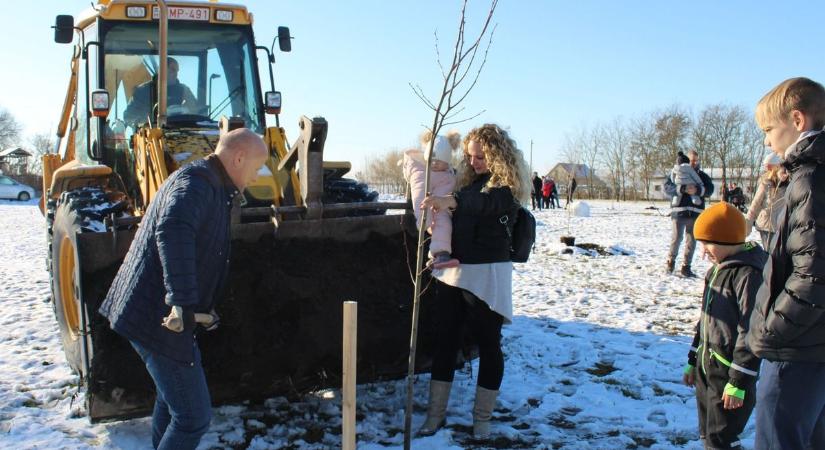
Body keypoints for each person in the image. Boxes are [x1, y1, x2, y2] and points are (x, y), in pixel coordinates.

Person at [98, 129, 269, 450]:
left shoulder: (212, 185)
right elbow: (174, 228)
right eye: (257, 166)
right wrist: (182, 303)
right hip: (158, 318)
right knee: (193, 417)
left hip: (153, 314)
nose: (258, 175)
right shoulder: (197, 183)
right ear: (239, 158)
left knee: (171, 402)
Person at [417, 123, 529, 440]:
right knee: (445, 341)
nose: (475, 161)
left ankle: (482, 420)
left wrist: (450, 201)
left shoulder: (507, 187)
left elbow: (486, 203)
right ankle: (434, 416)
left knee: (489, 344)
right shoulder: (465, 182)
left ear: (496, 155)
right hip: (454, 272)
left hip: (488, 275)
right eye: (470, 156)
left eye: (480, 157)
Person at [746, 77, 825, 450]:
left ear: (797, 120)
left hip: (797, 349)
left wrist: (770, 330)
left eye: (768, 129)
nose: (766, 141)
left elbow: (813, 275)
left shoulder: (810, 179)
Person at [683, 202, 766, 449]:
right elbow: (705, 320)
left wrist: (739, 381)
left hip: (730, 373)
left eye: (707, 244)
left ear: (728, 241)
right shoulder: (715, 271)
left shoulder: (748, 275)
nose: (703, 252)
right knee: (710, 436)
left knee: (722, 439)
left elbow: (750, 330)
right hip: (707, 367)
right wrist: (692, 359)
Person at [403, 130, 461, 269]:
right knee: (442, 223)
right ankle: (441, 255)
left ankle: (439, 256)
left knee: (445, 223)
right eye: (431, 160)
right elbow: (419, 199)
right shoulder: (422, 174)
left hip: (447, 207)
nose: (434, 164)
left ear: (447, 161)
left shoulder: (449, 173)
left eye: (439, 161)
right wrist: (425, 220)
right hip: (433, 211)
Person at [666, 149, 714, 277]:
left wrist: (697, 191)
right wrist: (681, 189)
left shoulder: (702, 176)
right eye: (691, 160)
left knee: (691, 241)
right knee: (676, 238)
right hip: (679, 212)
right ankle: (671, 262)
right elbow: (667, 187)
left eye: (696, 161)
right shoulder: (675, 173)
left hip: (696, 213)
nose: (694, 163)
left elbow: (710, 189)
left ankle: (686, 267)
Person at [124, 57, 201, 126]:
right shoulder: (143, 91)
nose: (176, 74)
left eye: (177, 71)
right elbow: (129, 117)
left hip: (182, 133)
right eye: (173, 70)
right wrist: (147, 122)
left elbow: (196, 111)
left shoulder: (184, 90)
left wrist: (186, 110)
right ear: (162, 70)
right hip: (150, 137)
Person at [745, 153, 788, 249]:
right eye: (766, 167)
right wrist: (748, 222)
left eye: (769, 166)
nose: (767, 169)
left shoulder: (788, 182)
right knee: (770, 253)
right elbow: (755, 204)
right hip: (766, 226)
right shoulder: (765, 183)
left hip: (782, 226)